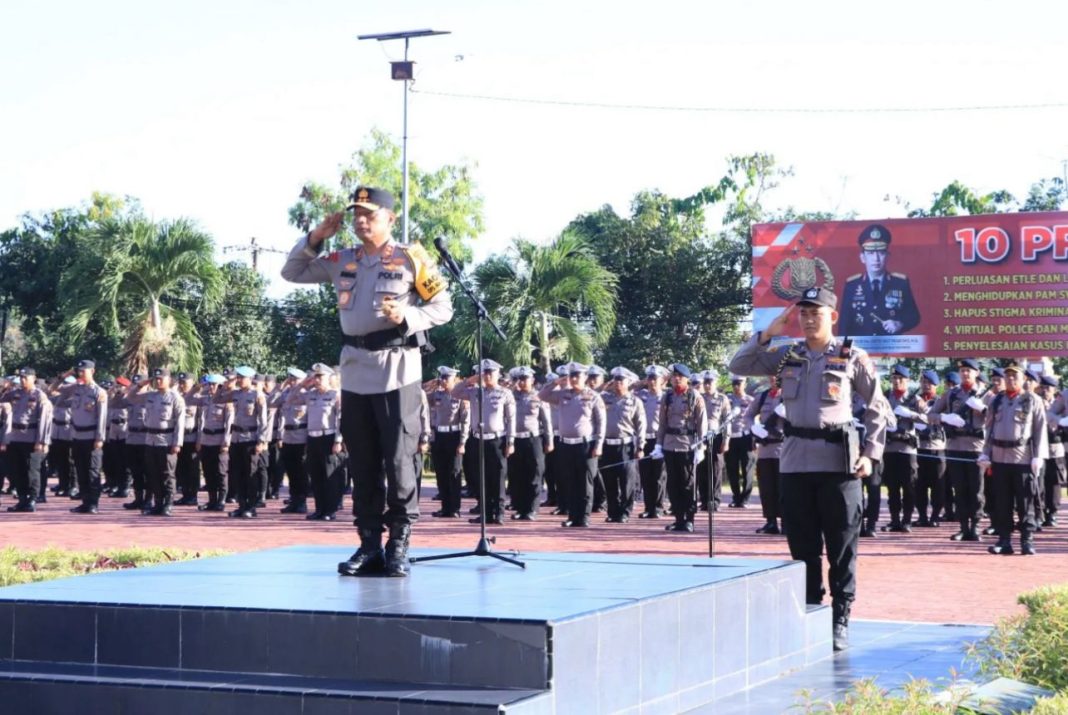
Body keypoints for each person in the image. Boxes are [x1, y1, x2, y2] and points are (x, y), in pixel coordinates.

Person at [283, 186, 453, 578]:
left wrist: (408, 318)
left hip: (397, 370)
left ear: (390, 219)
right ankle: (368, 544)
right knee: (361, 462)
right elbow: (292, 272)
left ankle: (398, 544)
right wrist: (316, 237)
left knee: (398, 461)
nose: (360, 220)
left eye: (369, 214)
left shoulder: (412, 259)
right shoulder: (342, 260)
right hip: (356, 371)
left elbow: (443, 307)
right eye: (356, 213)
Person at [729, 286, 890, 651]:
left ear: (831, 316)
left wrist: (871, 453)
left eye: (815, 312)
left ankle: (841, 616)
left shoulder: (852, 357)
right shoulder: (787, 356)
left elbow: (878, 406)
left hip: (840, 464)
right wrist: (768, 333)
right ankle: (811, 605)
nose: (807, 318)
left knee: (841, 545)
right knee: (801, 543)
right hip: (796, 461)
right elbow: (737, 366)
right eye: (802, 312)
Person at [979, 362, 1048, 555]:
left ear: (1023, 379)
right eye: (1007, 376)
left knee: (1025, 502)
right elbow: (989, 428)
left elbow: (1040, 429)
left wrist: (1038, 457)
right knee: (1003, 502)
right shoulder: (997, 400)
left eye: (1014, 376)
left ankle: (1027, 540)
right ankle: (1004, 540)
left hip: (1023, 459)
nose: (1010, 379)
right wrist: (985, 452)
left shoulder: (1032, 400)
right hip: (1000, 459)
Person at [929, 359, 991, 542]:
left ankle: (976, 526)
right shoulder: (951, 394)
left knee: (977, 490)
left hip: (976, 448)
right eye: (963, 370)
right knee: (960, 489)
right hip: (955, 447)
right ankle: (963, 527)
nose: (965, 374)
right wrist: (945, 417)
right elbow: (930, 415)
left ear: (977, 372)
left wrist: (984, 410)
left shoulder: (987, 395)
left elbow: (1000, 418)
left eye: (969, 371)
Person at [538, 362, 605, 528]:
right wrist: (555, 383)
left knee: (585, 483)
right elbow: (542, 395)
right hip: (565, 445)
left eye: (577, 376)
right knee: (570, 482)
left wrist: (599, 444)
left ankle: (583, 517)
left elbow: (601, 422)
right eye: (571, 376)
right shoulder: (562, 394)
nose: (574, 379)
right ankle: (572, 515)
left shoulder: (593, 396)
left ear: (585, 378)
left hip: (586, 444)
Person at [452, 359, 515, 525]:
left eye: (490, 373)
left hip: (497, 440)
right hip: (477, 440)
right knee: (482, 477)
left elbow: (511, 419)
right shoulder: (474, 392)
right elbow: (455, 392)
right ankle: (485, 513)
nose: (487, 376)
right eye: (484, 373)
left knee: (498, 477)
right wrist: (471, 380)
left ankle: (499, 513)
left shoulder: (505, 393)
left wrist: (511, 441)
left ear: (497, 374)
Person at [652, 363, 708, 533]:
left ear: (686, 379)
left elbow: (702, 424)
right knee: (673, 484)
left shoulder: (694, 396)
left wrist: (701, 447)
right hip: (670, 444)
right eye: (674, 376)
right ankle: (678, 518)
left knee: (688, 484)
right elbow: (662, 422)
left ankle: (689, 519)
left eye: (680, 377)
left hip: (687, 445)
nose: (676, 379)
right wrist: (658, 444)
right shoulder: (667, 396)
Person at [838, 224, 920, 336]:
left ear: (887, 256)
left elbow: (914, 316)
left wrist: (900, 324)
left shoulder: (900, 283)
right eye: (870, 253)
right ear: (862, 257)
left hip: (891, 349)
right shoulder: (852, 285)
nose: (876, 259)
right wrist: (845, 353)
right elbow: (844, 325)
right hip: (861, 350)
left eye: (881, 253)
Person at [882, 365, 927, 532]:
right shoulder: (885, 397)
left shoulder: (915, 400)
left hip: (908, 449)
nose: (896, 381)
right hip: (890, 448)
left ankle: (907, 520)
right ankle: (894, 520)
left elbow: (928, 419)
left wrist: (910, 414)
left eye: (900, 378)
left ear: (907, 381)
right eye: (894, 378)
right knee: (892, 487)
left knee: (909, 486)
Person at [1, 368, 53, 512]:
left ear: (33, 378)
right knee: (17, 471)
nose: (23, 380)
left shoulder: (39, 396)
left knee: (32, 471)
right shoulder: (14, 393)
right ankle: (22, 499)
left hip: (31, 437)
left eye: (26, 377)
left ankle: (32, 499)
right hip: (15, 437)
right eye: (21, 377)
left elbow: (44, 420)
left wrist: (41, 441)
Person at [297, 364, 344, 521]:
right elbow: (290, 398)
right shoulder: (310, 394)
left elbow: (340, 419)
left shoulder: (335, 395)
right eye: (315, 377)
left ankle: (330, 510)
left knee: (329, 475)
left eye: (320, 377)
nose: (317, 380)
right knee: (316, 476)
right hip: (312, 438)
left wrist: (338, 440)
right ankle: (319, 509)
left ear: (329, 378)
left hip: (328, 438)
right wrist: (303, 383)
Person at [600, 367, 646, 523]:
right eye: (615, 379)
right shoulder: (604, 398)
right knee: (609, 479)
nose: (617, 383)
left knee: (627, 481)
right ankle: (612, 512)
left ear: (629, 382)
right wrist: (605, 386)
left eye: (621, 380)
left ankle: (625, 511)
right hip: (607, 445)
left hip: (625, 445)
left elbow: (641, 426)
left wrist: (640, 447)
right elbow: (591, 396)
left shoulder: (635, 401)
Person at [140, 367, 186, 516]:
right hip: (150, 440)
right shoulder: (151, 396)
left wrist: (177, 443)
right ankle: (158, 503)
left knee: (167, 474)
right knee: (153, 474)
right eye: (156, 379)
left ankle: (168, 504)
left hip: (166, 441)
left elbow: (180, 422)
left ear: (169, 380)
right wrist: (142, 383)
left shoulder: (175, 398)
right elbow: (130, 397)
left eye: (161, 378)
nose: (158, 381)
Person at [226, 366, 269, 519]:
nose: (238, 380)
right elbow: (217, 398)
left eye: (241, 378)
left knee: (251, 474)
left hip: (250, 439)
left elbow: (264, 420)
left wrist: (261, 441)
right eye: (237, 377)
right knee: (238, 474)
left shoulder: (257, 395)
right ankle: (242, 505)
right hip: (236, 438)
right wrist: (228, 382)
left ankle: (251, 506)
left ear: (250, 379)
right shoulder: (235, 394)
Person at [427, 366, 469, 519]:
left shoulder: (460, 397)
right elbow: (421, 397)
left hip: (454, 435)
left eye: (447, 378)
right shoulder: (436, 395)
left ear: (454, 379)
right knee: (441, 473)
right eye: (442, 378)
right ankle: (445, 507)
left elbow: (465, 420)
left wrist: (462, 441)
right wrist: (431, 384)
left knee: (454, 473)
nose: (444, 381)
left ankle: (454, 508)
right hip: (439, 436)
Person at [745, 378, 785, 534]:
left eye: (777, 375)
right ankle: (770, 521)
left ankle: (787, 522)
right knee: (767, 487)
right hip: (765, 448)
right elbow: (748, 416)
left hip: (784, 448)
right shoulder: (762, 397)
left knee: (784, 488)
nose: (775, 379)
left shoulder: (790, 396)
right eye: (772, 376)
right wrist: (754, 428)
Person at [509, 366, 550, 521]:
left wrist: (549, 440)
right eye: (519, 379)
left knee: (534, 474)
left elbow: (546, 421)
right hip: (516, 439)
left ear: (532, 380)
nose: (522, 382)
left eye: (525, 378)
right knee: (517, 475)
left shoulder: (538, 397)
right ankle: (520, 508)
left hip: (534, 439)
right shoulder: (511, 396)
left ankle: (532, 508)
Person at [194, 374, 234, 512]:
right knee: (208, 471)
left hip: (219, 440)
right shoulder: (205, 400)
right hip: (206, 439)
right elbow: (200, 422)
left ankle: (221, 500)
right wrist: (199, 440)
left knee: (221, 472)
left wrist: (226, 442)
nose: (211, 387)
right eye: (209, 384)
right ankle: (212, 500)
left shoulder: (226, 402)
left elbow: (229, 423)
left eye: (214, 384)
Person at [271, 368, 309, 514]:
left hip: (301, 435)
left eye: (295, 379)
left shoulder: (306, 395)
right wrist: (280, 387)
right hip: (287, 436)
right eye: (290, 379)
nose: (292, 382)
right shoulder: (285, 394)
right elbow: (271, 402)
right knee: (291, 471)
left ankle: (302, 502)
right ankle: (294, 500)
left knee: (301, 471)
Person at [914, 369, 947, 527]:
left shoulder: (941, 401)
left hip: (937, 447)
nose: (926, 385)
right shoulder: (913, 401)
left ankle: (935, 515)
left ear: (936, 385)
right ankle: (922, 516)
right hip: (919, 447)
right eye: (923, 382)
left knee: (938, 485)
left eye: (929, 383)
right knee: (919, 484)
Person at [637, 365, 669, 519]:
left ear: (662, 380)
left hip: (660, 440)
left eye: (655, 378)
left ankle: (658, 506)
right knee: (645, 475)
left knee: (659, 475)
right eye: (649, 378)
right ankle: (648, 507)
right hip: (644, 440)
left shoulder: (666, 397)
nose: (652, 382)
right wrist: (640, 382)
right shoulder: (640, 396)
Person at [697, 371, 731, 512]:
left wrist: (726, 440)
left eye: (710, 382)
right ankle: (704, 500)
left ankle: (715, 501)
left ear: (716, 383)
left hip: (716, 438)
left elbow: (727, 421)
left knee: (716, 470)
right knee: (701, 469)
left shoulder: (722, 399)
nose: (707, 385)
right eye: (705, 382)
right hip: (701, 437)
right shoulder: (698, 398)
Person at [1038, 375, 1065, 527]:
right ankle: (1040, 511)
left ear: (1054, 390)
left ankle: (1052, 513)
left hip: (1055, 448)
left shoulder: (1060, 405)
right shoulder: (1036, 402)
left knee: (1054, 482)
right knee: (1039, 482)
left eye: (1047, 388)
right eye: (1042, 387)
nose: (1044, 391)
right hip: (1040, 448)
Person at [724, 376, 754, 508]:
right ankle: (736, 497)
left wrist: (755, 439)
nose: (736, 386)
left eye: (739, 383)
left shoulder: (751, 400)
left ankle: (745, 498)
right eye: (734, 383)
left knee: (747, 469)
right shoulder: (727, 400)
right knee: (732, 469)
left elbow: (756, 419)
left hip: (746, 437)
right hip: (730, 438)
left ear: (745, 384)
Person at [174, 373, 201, 506]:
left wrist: (199, 440)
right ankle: (185, 494)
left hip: (192, 437)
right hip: (180, 438)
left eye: (184, 382)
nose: (182, 385)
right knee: (181, 468)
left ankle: (193, 495)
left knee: (192, 468)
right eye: (180, 382)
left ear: (192, 382)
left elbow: (201, 420)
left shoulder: (198, 398)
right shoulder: (178, 397)